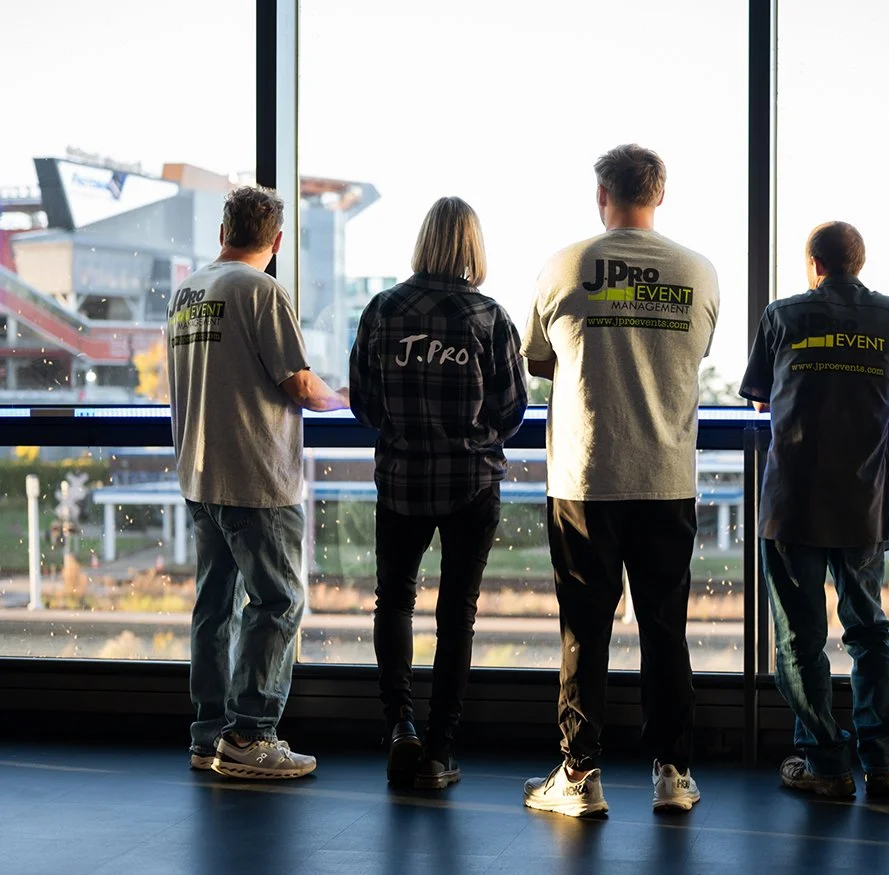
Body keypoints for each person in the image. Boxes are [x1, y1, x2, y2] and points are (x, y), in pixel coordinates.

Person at [521, 144, 720, 817]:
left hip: (585, 475)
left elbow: (540, 360)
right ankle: (673, 772)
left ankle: (579, 775)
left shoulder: (564, 265)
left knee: (584, 629)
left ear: (600, 195)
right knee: (664, 628)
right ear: (659, 194)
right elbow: (691, 355)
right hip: (667, 475)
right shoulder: (699, 271)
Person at [739, 221, 889, 799]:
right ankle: (884, 761)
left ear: (813, 264)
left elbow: (757, 392)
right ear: (860, 262)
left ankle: (825, 762)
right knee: (869, 629)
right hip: (863, 500)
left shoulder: (781, 317)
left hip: (792, 501)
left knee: (799, 641)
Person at [168, 184, 349, 779]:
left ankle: (208, 734)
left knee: (214, 607)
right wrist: (343, 400)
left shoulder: (187, 292)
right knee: (278, 602)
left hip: (200, 474)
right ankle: (251, 737)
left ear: (223, 233)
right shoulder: (260, 290)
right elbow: (296, 380)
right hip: (255, 475)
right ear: (274, 241)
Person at [349, 196, 528, 789]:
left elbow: (364, 404)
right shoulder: (489, 318)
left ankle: (398, 725)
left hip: (400, 478)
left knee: (394, 601)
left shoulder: (382, 310)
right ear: (473, 246)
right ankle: (439, 752)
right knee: (457, 618)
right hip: (470, 483)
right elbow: (510, 412)